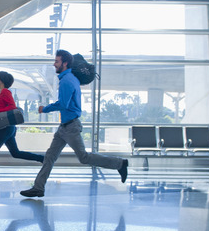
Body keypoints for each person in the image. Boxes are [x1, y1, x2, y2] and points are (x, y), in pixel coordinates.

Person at [20, 50, 128, 198]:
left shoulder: (66, 80)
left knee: (83, 157)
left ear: (65, 63)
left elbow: (63, 104)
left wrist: (44, 108)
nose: (54, 64)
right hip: (64, 126)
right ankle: (38, 188)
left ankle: (120, 164)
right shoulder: (70, 78)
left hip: (70, 127)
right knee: (50, 156)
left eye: (57, 61)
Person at [0, 71, 44, 189]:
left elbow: (12, 108)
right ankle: (42, 158)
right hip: (5, 127)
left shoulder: (5, 92)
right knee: (15, 153)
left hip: (5, 128)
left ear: (2, 80)